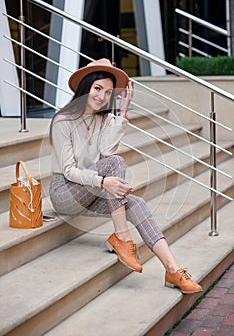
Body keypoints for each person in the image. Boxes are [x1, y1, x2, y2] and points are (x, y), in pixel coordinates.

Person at [49, 58, 202, 294]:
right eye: (97, 88)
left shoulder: (103, 118)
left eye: (108, 92)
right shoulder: (63, 120)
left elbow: (108, 153)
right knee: (116, 164)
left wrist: (122, 112)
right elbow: (69, 171)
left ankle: (173, 269)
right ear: (85, 87)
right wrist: (102, 182)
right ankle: (122, 237)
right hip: (65, 192)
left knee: (136, 202)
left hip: (91, 188)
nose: (101, 96)